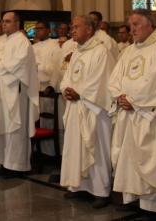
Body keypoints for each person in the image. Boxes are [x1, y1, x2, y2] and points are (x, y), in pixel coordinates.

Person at [109, 9, 156, 213]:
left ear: (149, 25)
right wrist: (120, 96)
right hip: (129, 113)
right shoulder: (129, 50)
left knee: (151, 158)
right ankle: (137, 201)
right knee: (130, 158)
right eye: (131, 24)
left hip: (148, 113)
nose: (131, 29)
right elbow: (115, 78)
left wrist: (133, 100)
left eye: (136, 24)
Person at [60, 16, 115, 209]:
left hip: (94, 110)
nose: (72, 31)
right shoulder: (76, 52)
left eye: (76, 27)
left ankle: (100, 191)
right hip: (76, 108)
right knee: (76, 147)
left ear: (90, 30)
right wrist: (66, 89)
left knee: (96, 149)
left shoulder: (101, 51)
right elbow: (67, 76)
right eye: (72, 27)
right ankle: (79, 186)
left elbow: (102, 81)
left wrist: (80, 93)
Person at [0, 11, 39, 176]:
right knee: (4, 127)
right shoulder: (4, 42)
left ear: (17, 23)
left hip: (16, 92)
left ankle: (16, 166)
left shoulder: (22, 42)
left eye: (7, 21)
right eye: (3, 21)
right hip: (2, 91)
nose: (4, 24)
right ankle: (5, 163)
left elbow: (19, 63)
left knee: (15, 128)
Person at [32, 21, 61, 156]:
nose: (38, 31)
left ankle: (50, 153)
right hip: (34, 87)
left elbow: (56, 69)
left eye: (40, 28)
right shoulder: (33, 47)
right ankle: (38, 151)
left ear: (48, 30)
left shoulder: (55, 46)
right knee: (35, 120)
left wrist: (52, 86)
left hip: (47, 89)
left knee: (48, 122)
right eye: (36, 29)